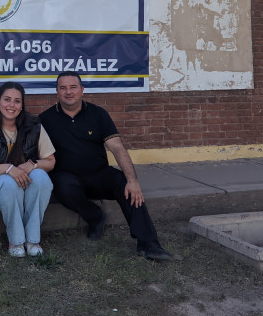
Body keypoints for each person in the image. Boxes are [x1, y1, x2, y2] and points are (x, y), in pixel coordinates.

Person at [39, 72, 173, 262]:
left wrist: (132, 180)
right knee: (61, 183)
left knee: (124, 183)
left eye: (73, 87)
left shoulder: (98, 114)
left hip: (98, 176)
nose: (68, 92)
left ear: (82, 90)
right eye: (63, 88)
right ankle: (95, 217)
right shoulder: (45, 119)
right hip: (67, 178)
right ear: (57, 92)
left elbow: (117, 147)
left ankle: (149, 244)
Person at [0, 81, 55, 257]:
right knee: (8, 182)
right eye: (7, 99)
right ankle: (15, 241)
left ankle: (32, 240)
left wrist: (32, 164)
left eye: (17, 101)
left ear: (22, 105)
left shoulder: (34, 126)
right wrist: (8, 168)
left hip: (21, 188)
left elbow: (50, 161)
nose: (12, 105)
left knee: (40, 176)